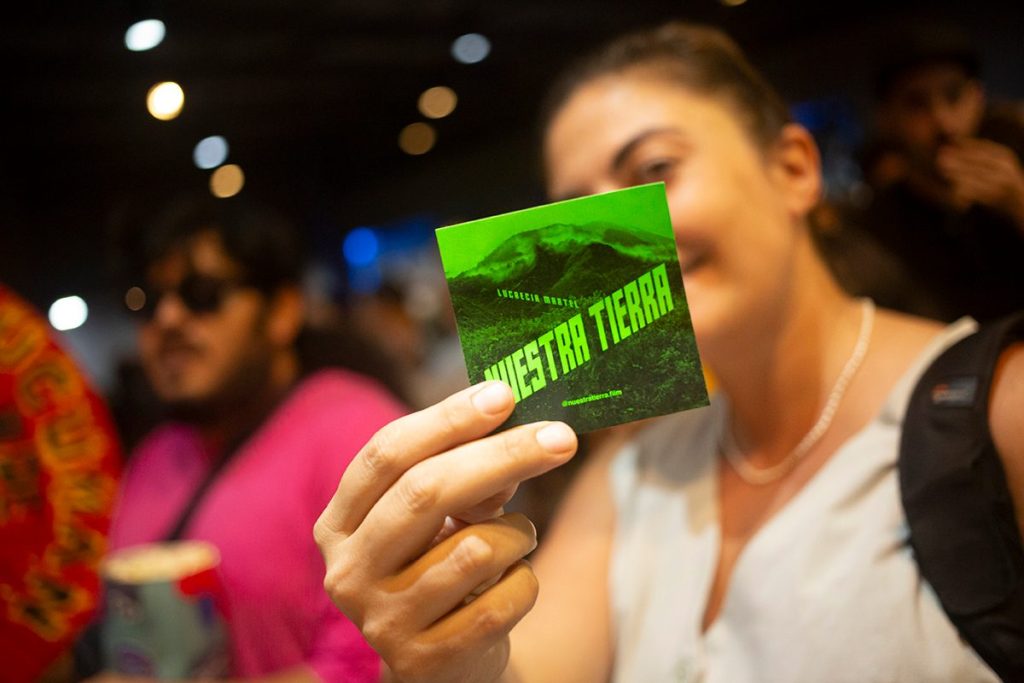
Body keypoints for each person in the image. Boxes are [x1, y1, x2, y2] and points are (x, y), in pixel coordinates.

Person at [313, 23, 1024, 682]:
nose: (610, 242)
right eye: (577, 213)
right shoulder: (637, 468)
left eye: (654, 168)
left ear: (794, 169)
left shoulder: (999, 412)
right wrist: (445, 642)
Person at [87, 198, 404, 681]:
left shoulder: (357, 430)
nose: (168, 319)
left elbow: (380, 661)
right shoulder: (154, 453)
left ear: (282, 311)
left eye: (203, 294)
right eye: (145, 301)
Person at [855, 23, 1024, 322]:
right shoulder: (876, 233)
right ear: (886, 118)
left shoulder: (1015, 174)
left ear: (977, 97)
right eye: (916, 104)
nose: (943, 122)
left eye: (953, 95)